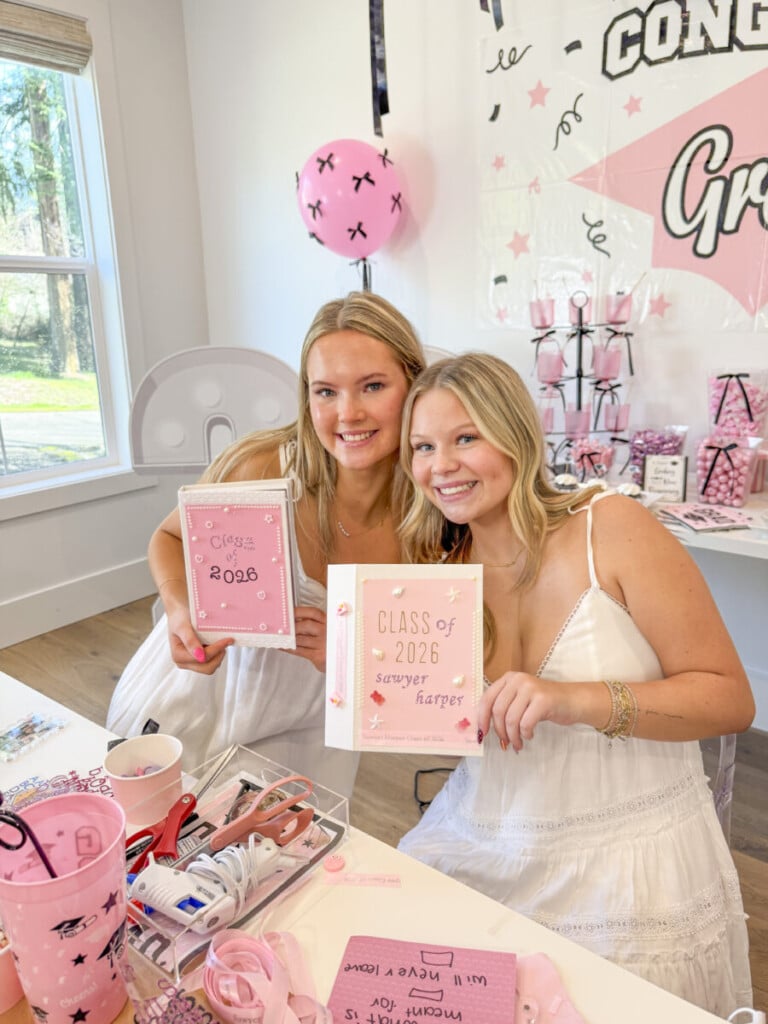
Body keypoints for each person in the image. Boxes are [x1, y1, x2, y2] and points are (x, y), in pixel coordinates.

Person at [396, 352, 755, 1016]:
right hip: (484, 834)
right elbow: (447, 723)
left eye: (465, 438)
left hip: (624, 862)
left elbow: (730, 698)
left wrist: (573, 699)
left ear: (515, 434)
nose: (440, 466)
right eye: (422, 446)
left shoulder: (609, 527)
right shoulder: (436, 566)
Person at [106, 292, 426, 799]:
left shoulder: (431, 512)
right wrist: (180, 611)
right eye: (326, 391)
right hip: (197, 707)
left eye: (373, 386)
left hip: (311, 733)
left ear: (414, 385)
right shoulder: (263, 468)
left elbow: (424, 666)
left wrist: (353, 657)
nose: (348, 413)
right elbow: (169, 537)